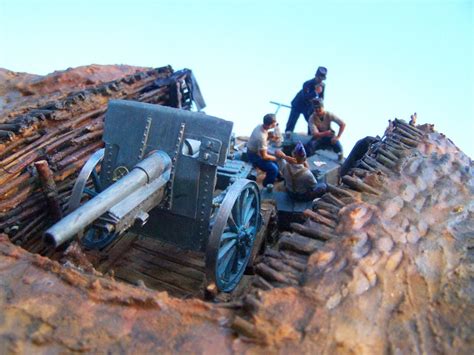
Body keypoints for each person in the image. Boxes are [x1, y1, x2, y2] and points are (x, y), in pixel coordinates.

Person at [285, 66, 327, 133]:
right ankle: (288, 134)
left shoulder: (322, 85)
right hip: (298, 104)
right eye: (319, 78)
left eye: (322, 79)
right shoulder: (307, 83)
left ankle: (311, 136)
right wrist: (315, 92)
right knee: (292, 122)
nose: (320, 80)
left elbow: (321, 98)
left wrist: (319, 106)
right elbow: (305, 97)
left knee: (312, 121)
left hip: (308, 106)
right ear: (316, 76)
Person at [247, 113, 280, 187]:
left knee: (274, 161)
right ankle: (266, 185)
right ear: (270, 125)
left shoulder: (260, 126)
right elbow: (264, 156)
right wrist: (277, 158)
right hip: (254, 155)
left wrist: (269, 137)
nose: (276, 124)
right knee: (273, 169)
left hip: (255, 150)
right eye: (274, 123)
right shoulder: (261, 137)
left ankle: (279, 176)